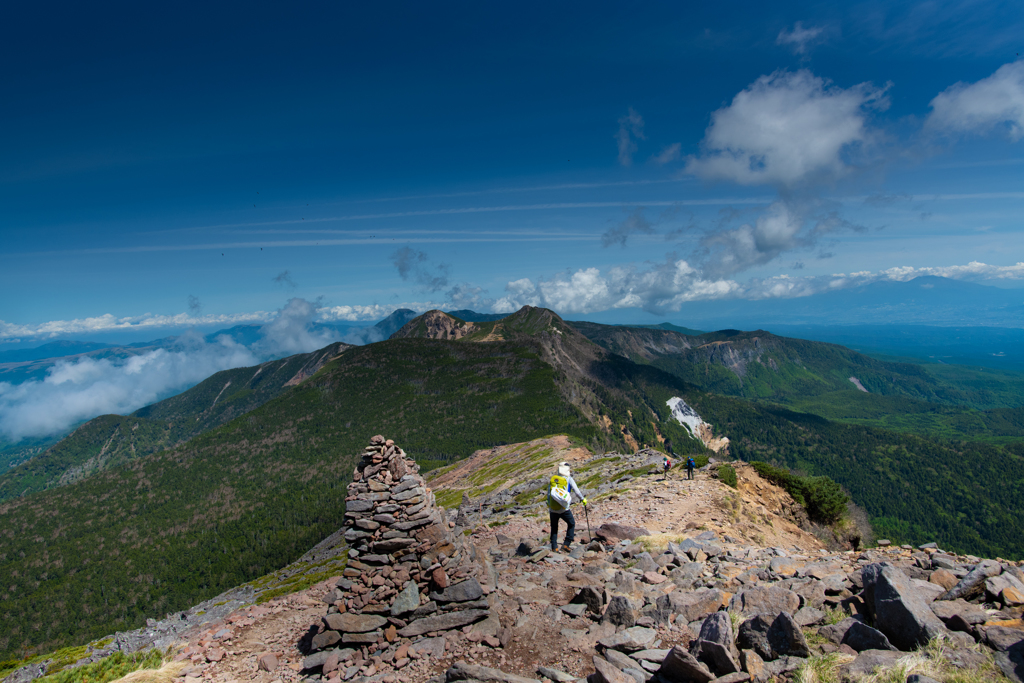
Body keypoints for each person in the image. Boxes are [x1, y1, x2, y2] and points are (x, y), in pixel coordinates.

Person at [547, 461, 587, 552]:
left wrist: (549, 505)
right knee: (571, 523)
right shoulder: (569, 479)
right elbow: (576, 491)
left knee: (554, 527)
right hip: (564, 508)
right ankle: (566, 544)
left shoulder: (553, 479)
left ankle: (554, 547)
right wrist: (582, 499)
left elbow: (549, 493)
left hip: (552, 508)